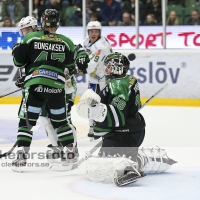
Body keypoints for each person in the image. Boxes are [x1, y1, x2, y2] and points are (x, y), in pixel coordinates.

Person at [76, 52, 176, 186]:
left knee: (104, 164)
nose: (106, 69)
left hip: (122, 133)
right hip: (135, 128)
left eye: (109, 67)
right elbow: (129, 105)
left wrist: (97, 117)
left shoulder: (117, 84)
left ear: (118, 67)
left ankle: (129, 169)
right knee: (120, 156)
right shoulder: (130, 79)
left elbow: (117, 116)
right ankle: (134, 159)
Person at [11, 9, 79, 171]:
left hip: (36, 85)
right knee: (61, 122)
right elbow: (71, 67)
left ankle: (21, 156)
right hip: (57, 87)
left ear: (42, 22)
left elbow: (19, 62)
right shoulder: (67, 42)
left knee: (27, 122)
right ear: (58, 23)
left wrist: (18, 52)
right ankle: (70, 154)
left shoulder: (31, 37)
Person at [83, 20, 113, 140]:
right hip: (94, 79)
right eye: (91, 31)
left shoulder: (101, 46)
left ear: (99, 33)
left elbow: (89, 66)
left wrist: (77, 67)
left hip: (103, 79)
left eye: (96, 31)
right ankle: (92, 126)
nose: (93, 34)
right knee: (90, 101)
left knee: (103, 102)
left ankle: (103, 125)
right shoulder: (87, 41)